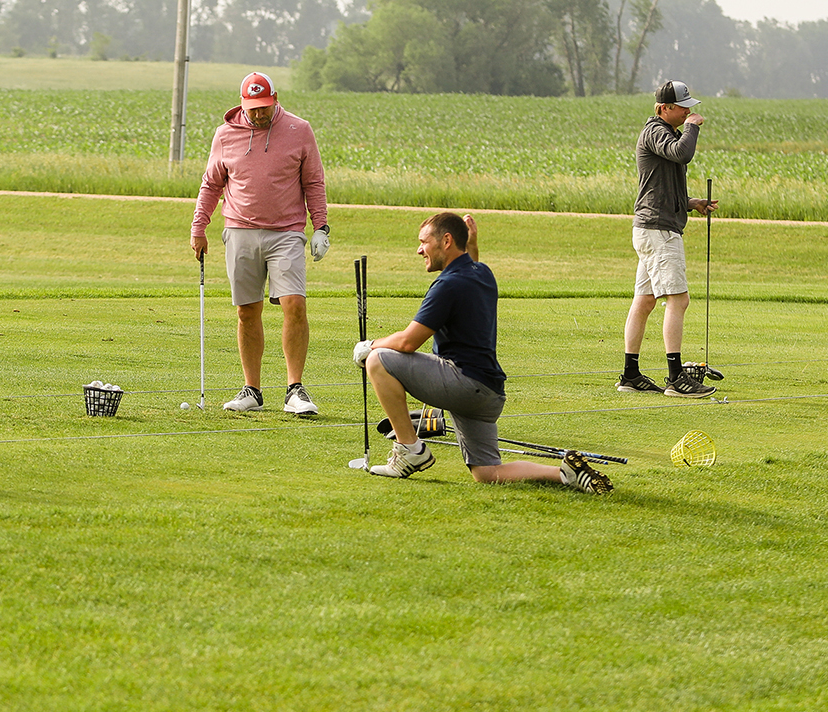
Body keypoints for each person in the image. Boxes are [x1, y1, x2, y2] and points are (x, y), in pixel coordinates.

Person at [358, 212, 610, 492]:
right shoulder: (482, 273)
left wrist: (369, 345)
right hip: (489, 393)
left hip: (463, 384)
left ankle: (410, 450)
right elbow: (472, 264)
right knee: (487, 473)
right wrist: (472, 245)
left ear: (446, 241)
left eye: (423, 242)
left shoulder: (447, 285)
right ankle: (566, 474)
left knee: (378, 360)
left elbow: (408, 342)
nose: (419, 250)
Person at [190, 71, 330, 415]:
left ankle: (295, 390)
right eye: (253, 108)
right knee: (246, 311)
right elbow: (211, 184)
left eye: (264, 106)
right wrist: (199, 227)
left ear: (275, 99)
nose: (259, 113)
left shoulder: (299, 130)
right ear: (242, 104)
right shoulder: (225, 135)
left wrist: (321, 226)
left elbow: (314, 181)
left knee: (294, 304)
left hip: (287, 232)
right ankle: (252, 390)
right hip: (239, 230)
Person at [619, 78, 718, 398]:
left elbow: (661, 188)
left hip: (653, 227)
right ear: (665, 108)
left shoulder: (664, 133)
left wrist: (691, 203)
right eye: (682, 107)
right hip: (659, 231)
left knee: (645, 300)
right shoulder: (656, 132)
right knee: (679, 299)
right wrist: (692, 128)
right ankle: (676, 378)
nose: (688, 111)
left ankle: (630, 375)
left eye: (689, 108)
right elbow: (682, 154)